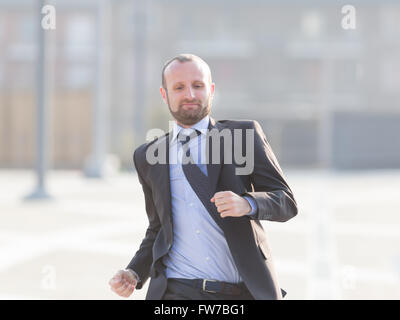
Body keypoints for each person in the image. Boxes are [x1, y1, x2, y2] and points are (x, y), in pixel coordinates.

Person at [109, 53, 298, 300]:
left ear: (211, 90)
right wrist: (134, 271)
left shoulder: (243, 136)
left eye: (197, 86)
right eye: (179, 87)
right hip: (176, 292)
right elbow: (158, 228)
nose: (190, 94)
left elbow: (286, 202)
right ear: (165, 94)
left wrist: (247, 203)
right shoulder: (147, 156)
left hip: (239, 293)